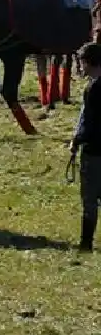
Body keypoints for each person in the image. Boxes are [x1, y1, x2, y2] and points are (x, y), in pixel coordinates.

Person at [69, 43, 101, 251]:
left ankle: (86, 243)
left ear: (88, 62)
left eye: (81, 62)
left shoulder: (93, 89)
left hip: (94, 151)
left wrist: (76, 141)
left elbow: (89, 122)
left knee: (89, 199)